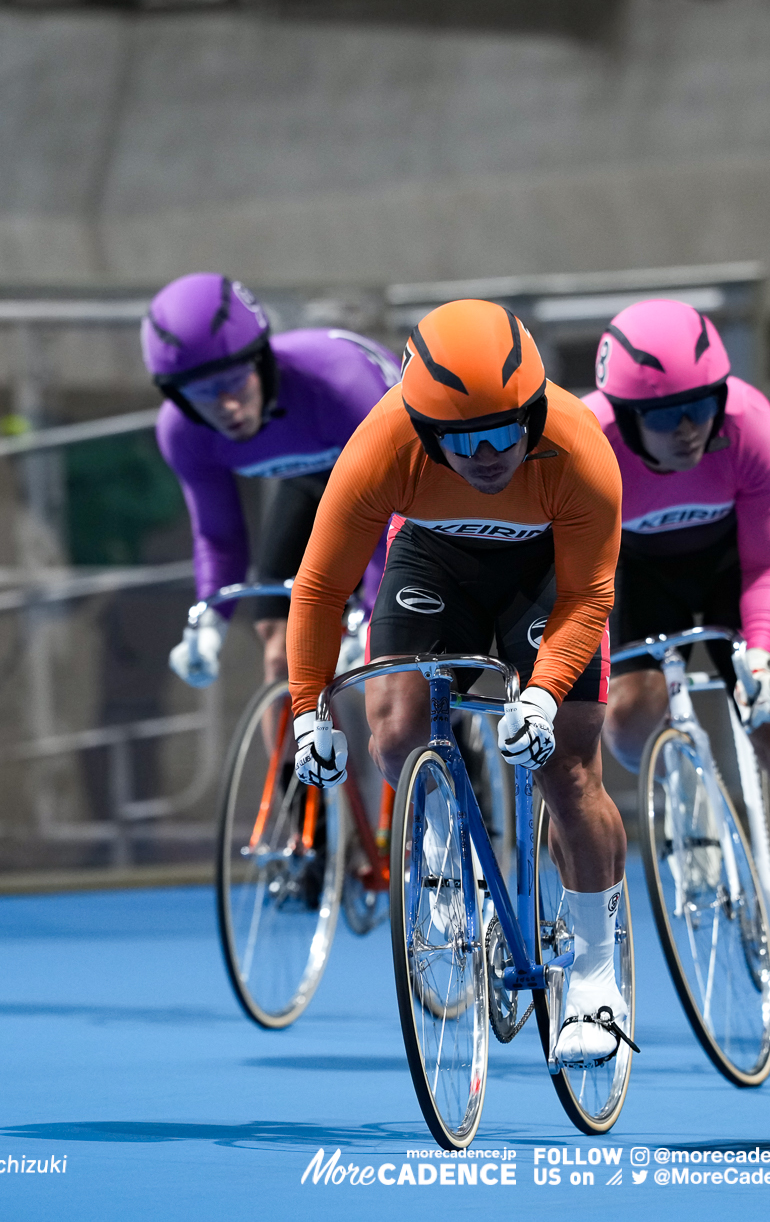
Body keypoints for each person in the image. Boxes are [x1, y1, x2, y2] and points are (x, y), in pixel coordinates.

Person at [284, 299, 632, 1067]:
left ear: (536, 411)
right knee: (399, 731)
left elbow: (589, 597)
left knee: (566, 764)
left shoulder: (578, 449)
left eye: (506, 429)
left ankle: (598, 973)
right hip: (435, 559)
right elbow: (316, 589)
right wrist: (309, 710)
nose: (486, 454)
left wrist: (541, 695)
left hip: (545, 576)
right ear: (423, 431)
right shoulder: (382, 445)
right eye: (462, 438)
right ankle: (444, 845)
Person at [581, 299, 770, 1016]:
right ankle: (684, 802)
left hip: (734, 575)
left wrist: (760, 654)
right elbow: (577, 581)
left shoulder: (749, 427)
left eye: (699, 404)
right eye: (664, 413)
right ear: (622, 416)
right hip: (631, 581)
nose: (688, 428)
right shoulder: (585, 446)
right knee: (624, 719)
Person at [143, 273, 398, 691]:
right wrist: (209, 624)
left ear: (261, 361)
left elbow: (391, 514)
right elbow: (219, 535)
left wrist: (372, 618)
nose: (225, 406)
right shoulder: (181, 432)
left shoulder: (341, 389)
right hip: (313, 482)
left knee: (393, 665)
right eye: (202, 394)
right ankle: (294, 758)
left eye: (232, 382)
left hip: (408, 487)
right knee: (283, 654)